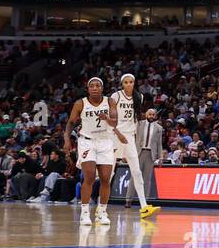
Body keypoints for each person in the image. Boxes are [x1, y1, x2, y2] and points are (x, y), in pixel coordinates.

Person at [64, 76, 128, 227]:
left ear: (102, 88)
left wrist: (106, 118)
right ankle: (85, 213)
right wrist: (67, 139)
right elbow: (71, 123)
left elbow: (115, 122)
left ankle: (101, 211)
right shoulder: (80, 103)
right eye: (91, 85)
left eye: (97, 85)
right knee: (90, 176)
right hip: (87, 141)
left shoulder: (110, 101)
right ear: (88, 88)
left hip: (105, 141)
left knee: (106, 178)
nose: (94, 88)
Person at [112, 74, 161, 220]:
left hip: (130, 137)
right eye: (126, 82)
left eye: (131, 82)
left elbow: (135, 116)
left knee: (137, 172)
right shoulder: (116, 96)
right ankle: (100, 208)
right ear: (122, 84)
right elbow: (111, 117)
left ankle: (144, 206)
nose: (129, 84)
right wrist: (116, 132)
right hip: (115, 135)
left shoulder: (138, 97)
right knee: (108, 173)